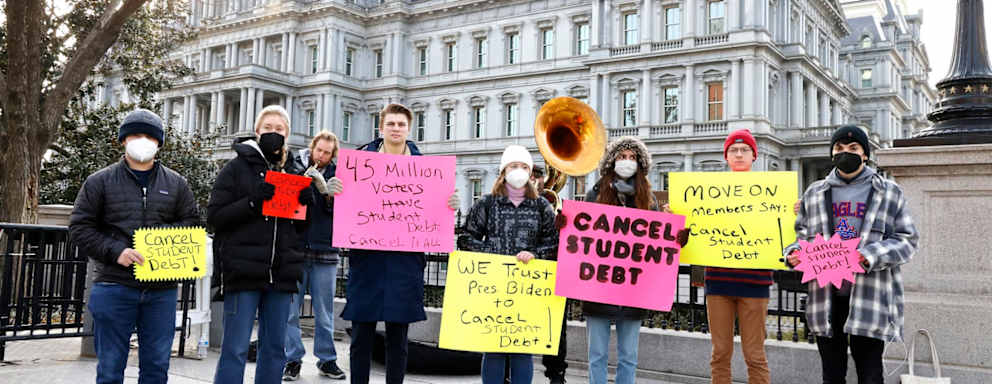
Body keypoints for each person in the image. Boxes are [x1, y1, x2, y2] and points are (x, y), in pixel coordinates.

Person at [331, 103, 460, 384]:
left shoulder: (425, 169)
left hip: (404, 261)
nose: (396, 129)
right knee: (361, 335)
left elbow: (434, 212)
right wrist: (336, 191)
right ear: (381, 128)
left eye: (401, 124)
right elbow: (344, 209)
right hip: (368, 260)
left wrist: (450, 204)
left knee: (398, 337)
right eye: (391, 124)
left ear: (409, 129)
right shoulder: (359, 163)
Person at [70, 108, 199, 384]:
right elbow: (80, 228)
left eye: (148, 136)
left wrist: (159, 242)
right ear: (123, 141)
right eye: (135, 135)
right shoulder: (98, 182)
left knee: (156, 367)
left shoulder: (177, 184)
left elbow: (192, 225)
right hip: (113, 285)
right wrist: (116, 251)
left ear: (159, 143)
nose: (142, 141)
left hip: (161, 289)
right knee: (110, 368)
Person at [785, 125, 918, 384]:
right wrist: (794, 254)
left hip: (869, 295)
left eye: (853, 148)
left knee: (870, 373)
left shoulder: (889, 192)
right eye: (839, 148)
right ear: (832, 152)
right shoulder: (814, 192)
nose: (846, 152)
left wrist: (868, 256)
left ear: (865, 154)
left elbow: (907, 240)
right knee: (831, 374)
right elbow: (800, 236)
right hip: (826, 297)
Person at [573, 136, 687, 384]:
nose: (626, 161)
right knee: (597, 354)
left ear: (640, 164)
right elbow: (582, 236)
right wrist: (565, 225)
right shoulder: (595, 193)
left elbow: (658, 242)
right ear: (612, 161)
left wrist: (677, 236)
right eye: (622, 157)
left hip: (633, 289)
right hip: (599, 286)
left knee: (629, 356)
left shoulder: (649, 198)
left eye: (632, 157)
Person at [209, 105, 310, 384]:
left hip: (281, 274)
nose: (273, 133)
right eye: (268, 128)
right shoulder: (235, 168)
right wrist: (253, 201)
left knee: (275, 348)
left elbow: (300, 230)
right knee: (235, 348)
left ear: (287, 134)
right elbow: (215, 216)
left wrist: (306, 207)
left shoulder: (295, 171)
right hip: (243, 272)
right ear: (257, 132)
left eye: (279, 129)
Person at [457, 145, 558, 384]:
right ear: (504, 170)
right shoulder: (487, 204)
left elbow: (554, 244)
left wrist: (534, 254)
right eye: (514, 166)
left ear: (531, 172)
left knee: (522, 349)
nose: (519, 171)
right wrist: (491, 251)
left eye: (524, 167)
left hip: (528, 288)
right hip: (493, 286)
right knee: (494, 348)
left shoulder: (541, 206)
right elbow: (465, 238)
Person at [686, 129, 772, 384]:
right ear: (726, 156)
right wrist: (679, 212)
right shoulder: (710, 192)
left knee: (755, 355)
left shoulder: (770, 191)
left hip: (755, 284)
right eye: (733, 150)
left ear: (754, 156)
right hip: (718, 282)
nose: (738, 154)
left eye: (744, 149)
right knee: (720, 353)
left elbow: (782, 234)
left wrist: (793, 212)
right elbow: (694, 230)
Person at [282, 131, 347, 381]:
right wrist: (301, 181)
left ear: (333, 155)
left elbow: (346, 214)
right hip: (296, 248)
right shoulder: (294, 165)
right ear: (312, 148)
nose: (321, 156)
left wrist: (328, 194)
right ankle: (292, 359)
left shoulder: (339, 175)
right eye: (319, 150)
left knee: (324, 310)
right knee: (290, 310)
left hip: (326, 249)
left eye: (327, 152)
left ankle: (327, 359)